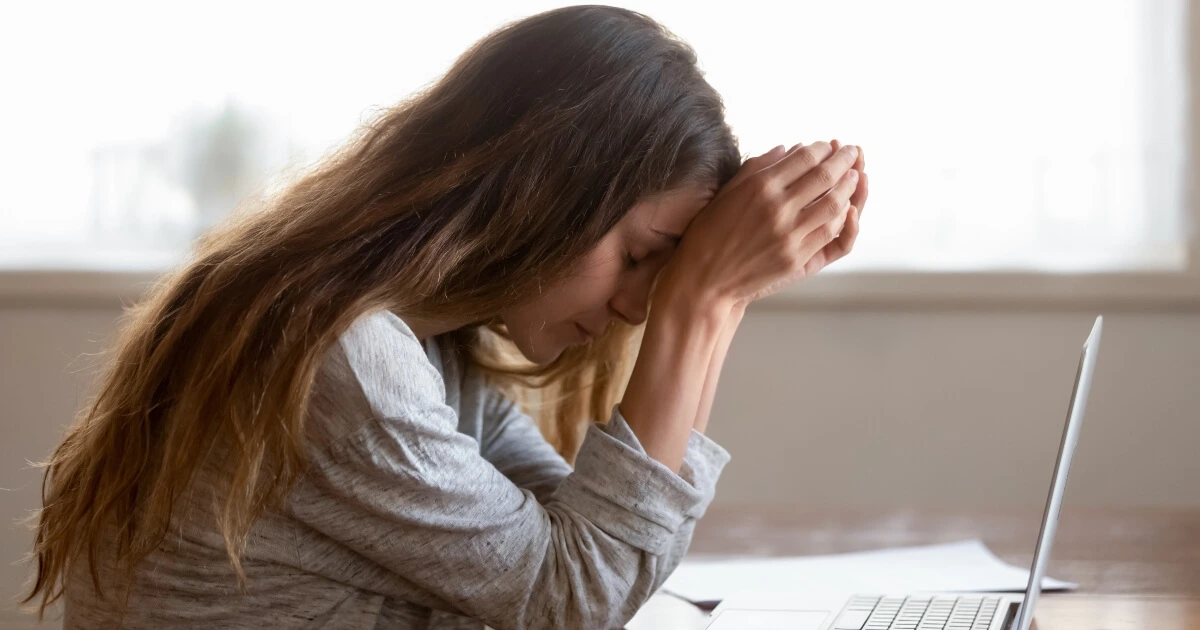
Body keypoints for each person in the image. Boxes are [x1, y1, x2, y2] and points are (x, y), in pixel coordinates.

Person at [24, 5, 867, 629]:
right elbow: (574, 597)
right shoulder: (343, 359)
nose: (638, 306)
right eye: (644, 254)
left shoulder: (430, 352)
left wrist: (722, 290)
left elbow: (579, 544)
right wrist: (707, 302)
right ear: (540, 191)